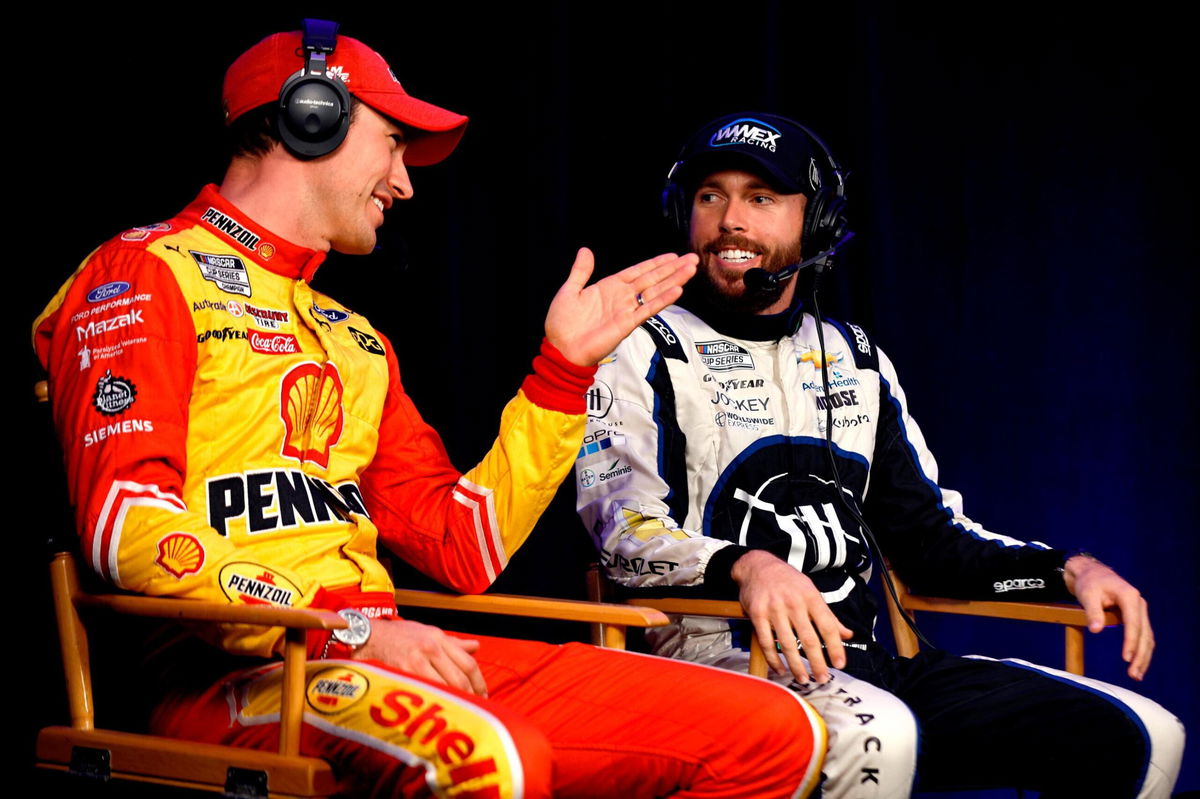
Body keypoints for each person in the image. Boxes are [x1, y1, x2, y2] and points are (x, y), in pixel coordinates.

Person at [33, 26, 830, 798]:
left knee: (777, 730)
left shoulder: (355, 340)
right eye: (393, 143)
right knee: (493, 757)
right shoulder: (142, 271)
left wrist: (562, 374)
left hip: (385, 656)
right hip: (236, 681)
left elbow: (462, 546)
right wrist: (344, 630)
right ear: (315, 116)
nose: (405, 182)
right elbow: (125, 528)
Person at [576, 112, 1185, 798]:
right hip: (710, 662)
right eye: (710, 195)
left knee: (1141, 732)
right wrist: (748, 565)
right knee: (881, 736)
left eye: (762, 198)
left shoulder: (854, 357)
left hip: (864, 666)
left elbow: (931, 540)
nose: (730, 219)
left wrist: (1063, 570)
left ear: (818, 222)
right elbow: (621, 532)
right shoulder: (636, 344)